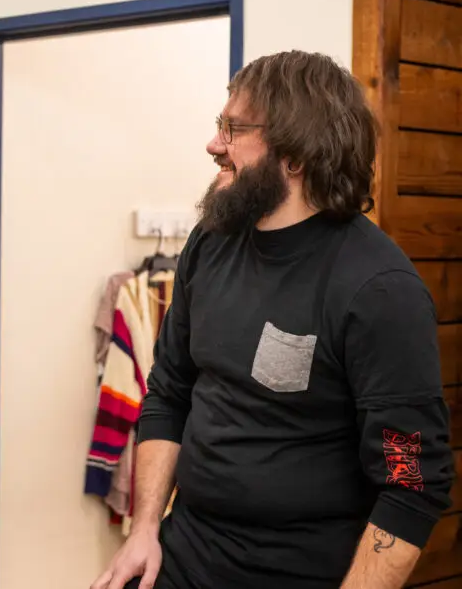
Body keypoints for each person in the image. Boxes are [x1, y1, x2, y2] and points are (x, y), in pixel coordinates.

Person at [92, 51, 456, 589]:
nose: (215, 144)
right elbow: (169, 394)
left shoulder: (379, 292)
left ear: (297, 155)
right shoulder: (211, 242)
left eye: (233, 129)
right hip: (184, 554)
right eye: (220, 125)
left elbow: (411, 484)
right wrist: (144, 529)